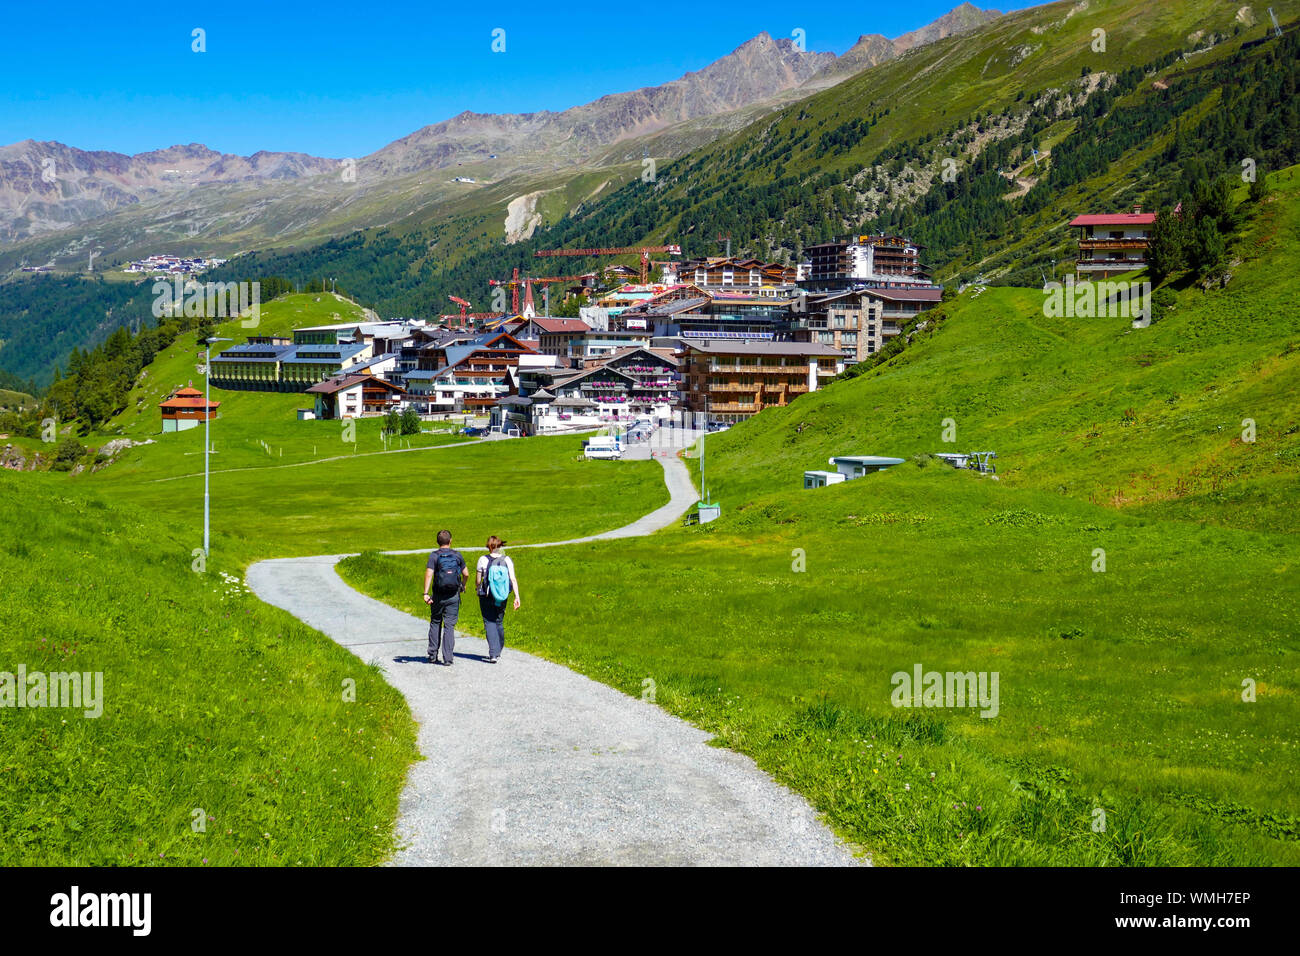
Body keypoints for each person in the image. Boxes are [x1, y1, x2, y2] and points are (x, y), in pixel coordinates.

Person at [423, 529, 468, 666]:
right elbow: (466, 574)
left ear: (438, 542)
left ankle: (432, 655)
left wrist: (425, 593)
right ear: (450, 541)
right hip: (453, 595)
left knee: (436, 622)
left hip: (438, 595)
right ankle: (448, 658)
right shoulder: (457, 555)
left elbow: (429, 574)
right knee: (449, 626)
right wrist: (462, 586)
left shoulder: (434, 556)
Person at [475, 535, 521, 663]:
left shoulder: (483, 560)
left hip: (486, 595)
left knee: (489, 621)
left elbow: (478, 580)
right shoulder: (507, 560)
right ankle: (499, 649)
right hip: (502, 595)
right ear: (500, 547)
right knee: (499, 622)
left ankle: (493, 653)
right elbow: (512, 579)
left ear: (488, 547)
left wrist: (478, 588)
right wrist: (517, 596)